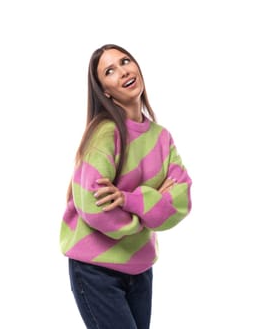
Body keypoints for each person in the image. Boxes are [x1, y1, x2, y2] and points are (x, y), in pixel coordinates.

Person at [59, 43, 192, 329]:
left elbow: (181, 202)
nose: (123, 72)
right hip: (96, 270)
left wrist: (128, 199)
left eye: (125, 61)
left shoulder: (162, 138)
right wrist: (148, 212)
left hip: (140, 269)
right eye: (110, 71)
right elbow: (93, 208)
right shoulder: (104, 133)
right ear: (105, 90)